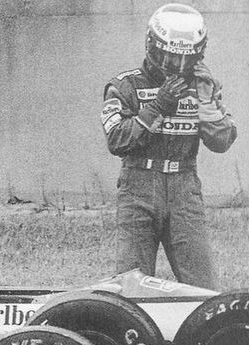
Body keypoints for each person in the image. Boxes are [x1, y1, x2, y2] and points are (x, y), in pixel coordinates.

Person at [101, 3, 237, 289]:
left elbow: (222, 140)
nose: (177, 67)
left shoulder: (203, 85)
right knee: (128, 286)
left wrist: (207, 103)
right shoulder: (125, 85)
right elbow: (117, 140)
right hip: (138, 185)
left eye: (185, 59)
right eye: (170, 57)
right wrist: (158, 106)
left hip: (184, 187)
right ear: (152, 47)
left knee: (203, 287)